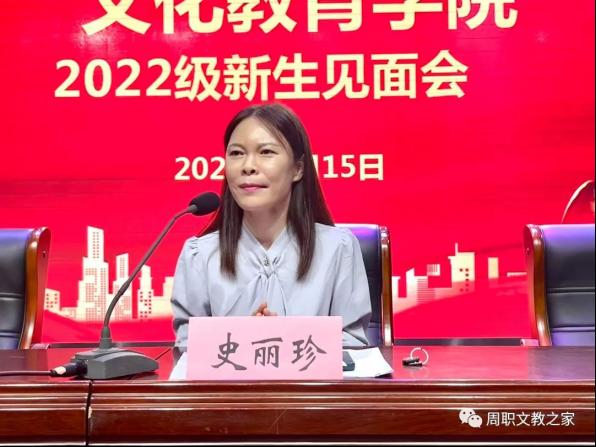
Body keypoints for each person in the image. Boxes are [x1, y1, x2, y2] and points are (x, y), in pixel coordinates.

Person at [171, 103, 371, 348]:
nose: (248, 166)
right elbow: (188, 348)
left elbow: (352, 344)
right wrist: (243, 342)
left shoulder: (338, 249)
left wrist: (285, 341)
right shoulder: (200, 256)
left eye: (266, 152)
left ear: (298, 169)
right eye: (236, 153)